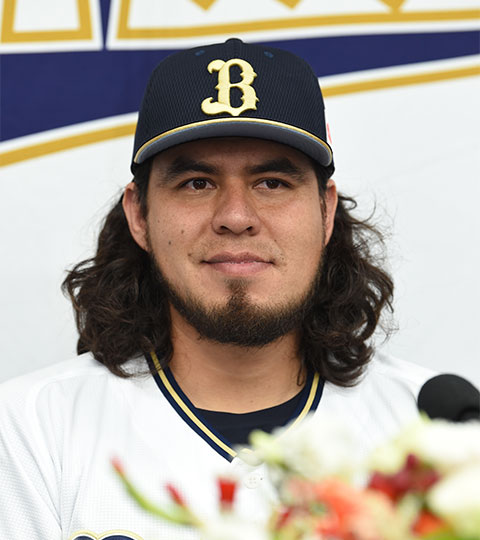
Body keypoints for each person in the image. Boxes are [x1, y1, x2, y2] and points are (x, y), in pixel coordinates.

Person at [0, 38, 432, 540]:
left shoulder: (432, 431)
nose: (236, 216)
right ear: (138, 214)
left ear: (325, 209)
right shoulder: (30, 428)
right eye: (197, 183)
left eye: (272, 182)